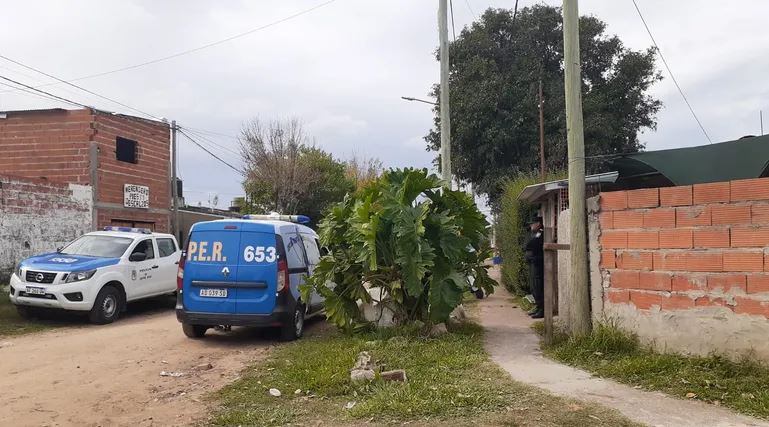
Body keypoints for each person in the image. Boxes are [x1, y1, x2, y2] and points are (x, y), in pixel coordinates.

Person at [524, 215, 544, 319]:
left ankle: (542, 309)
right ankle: (537, 306)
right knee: (534, 287)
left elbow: (532, 244)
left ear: (538, 224)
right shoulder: (534, 233)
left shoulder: (540, 233)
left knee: (538, 287)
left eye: (533, 223)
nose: (531, 225)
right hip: (533, 263)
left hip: (538, 263)